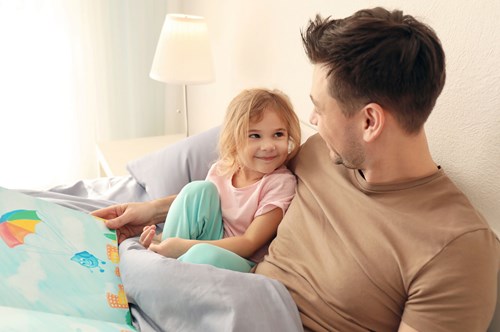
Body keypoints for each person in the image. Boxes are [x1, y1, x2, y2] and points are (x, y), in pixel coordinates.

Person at [93, 7, 500, 331]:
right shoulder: (320, 153)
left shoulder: (457, 249)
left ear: (370, 122)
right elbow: (238, 183)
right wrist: (150, 210)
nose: (311, 120)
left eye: (320, 108)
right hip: (222, 298)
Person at [136, 88, 301, 272]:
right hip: (209, 240)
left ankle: (169, 265)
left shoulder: (280, 183)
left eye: (278, 134)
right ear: (234, 140)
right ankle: (163, 252)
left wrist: (184, 246)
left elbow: (250, 243)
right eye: (255, 135)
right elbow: (196, 217)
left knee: (201, 255)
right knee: (196, 190)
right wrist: (167, 242)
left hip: (241, 259)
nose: (269, 146)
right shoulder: (222, 169)